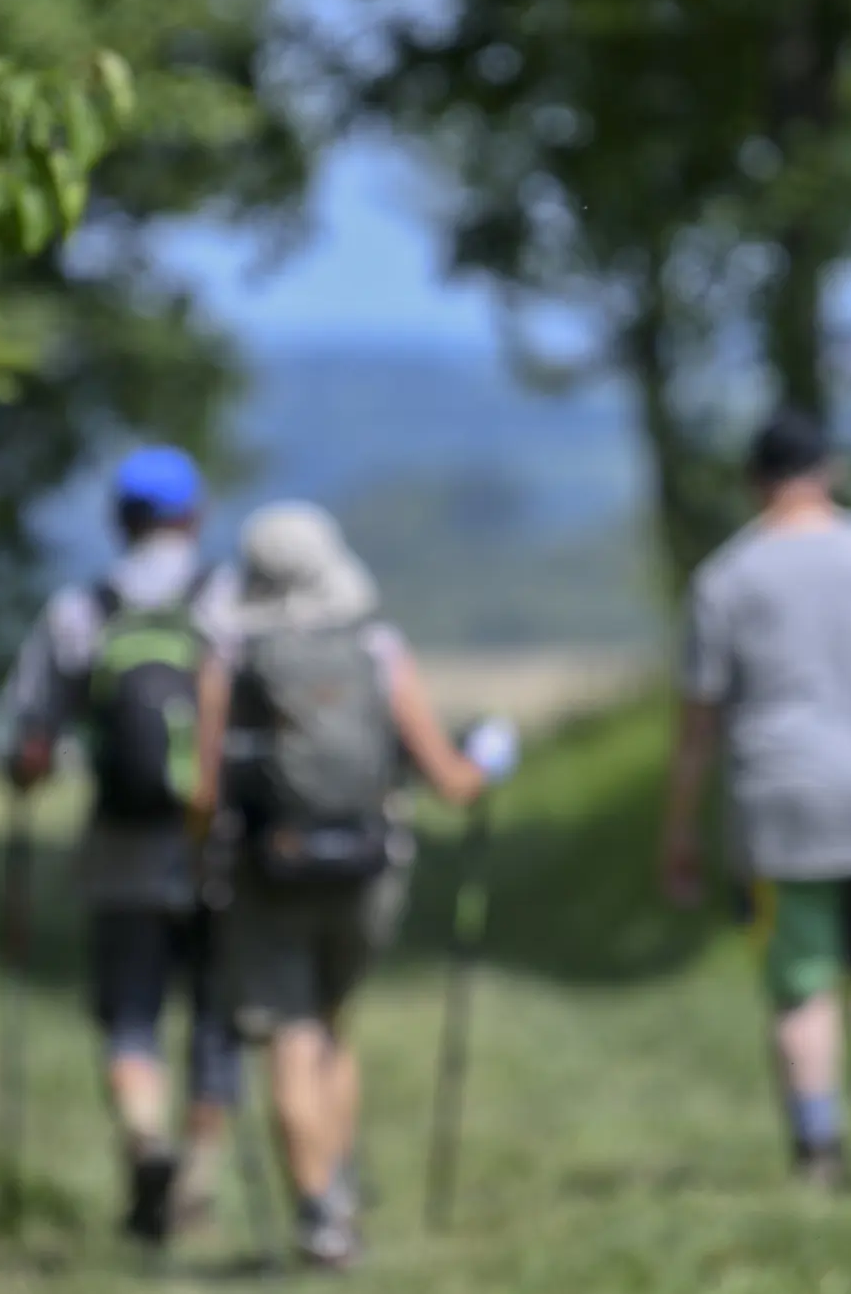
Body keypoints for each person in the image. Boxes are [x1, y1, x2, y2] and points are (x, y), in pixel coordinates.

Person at [192, 500, 518, 1268]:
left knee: (289, 1032)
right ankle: (336, 1193)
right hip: (367, 868)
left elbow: (203, 790)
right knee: (336, 1023)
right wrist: (491, 760)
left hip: (266, 867)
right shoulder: (376, 648)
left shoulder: (231, 655)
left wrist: (202, 856)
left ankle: (316, 1212)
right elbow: (449, 778)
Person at [660, 409, 851, 1184]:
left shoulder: (725, 577)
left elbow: (698, 723)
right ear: (827, 470)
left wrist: (681, 830)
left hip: (782, 805)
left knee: (798, 977)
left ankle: (816, 1145)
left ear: (755, 482)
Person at [4, 444, 244, 1245]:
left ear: (118, 520)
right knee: (216, 1018)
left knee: (130, 1013)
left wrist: (24, 772)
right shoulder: (227, 602)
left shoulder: (81, 609)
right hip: (218, 845)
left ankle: (146, 1140)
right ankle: (197, 1187)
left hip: (120, 845)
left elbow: (33, 746)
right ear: (194, 516)